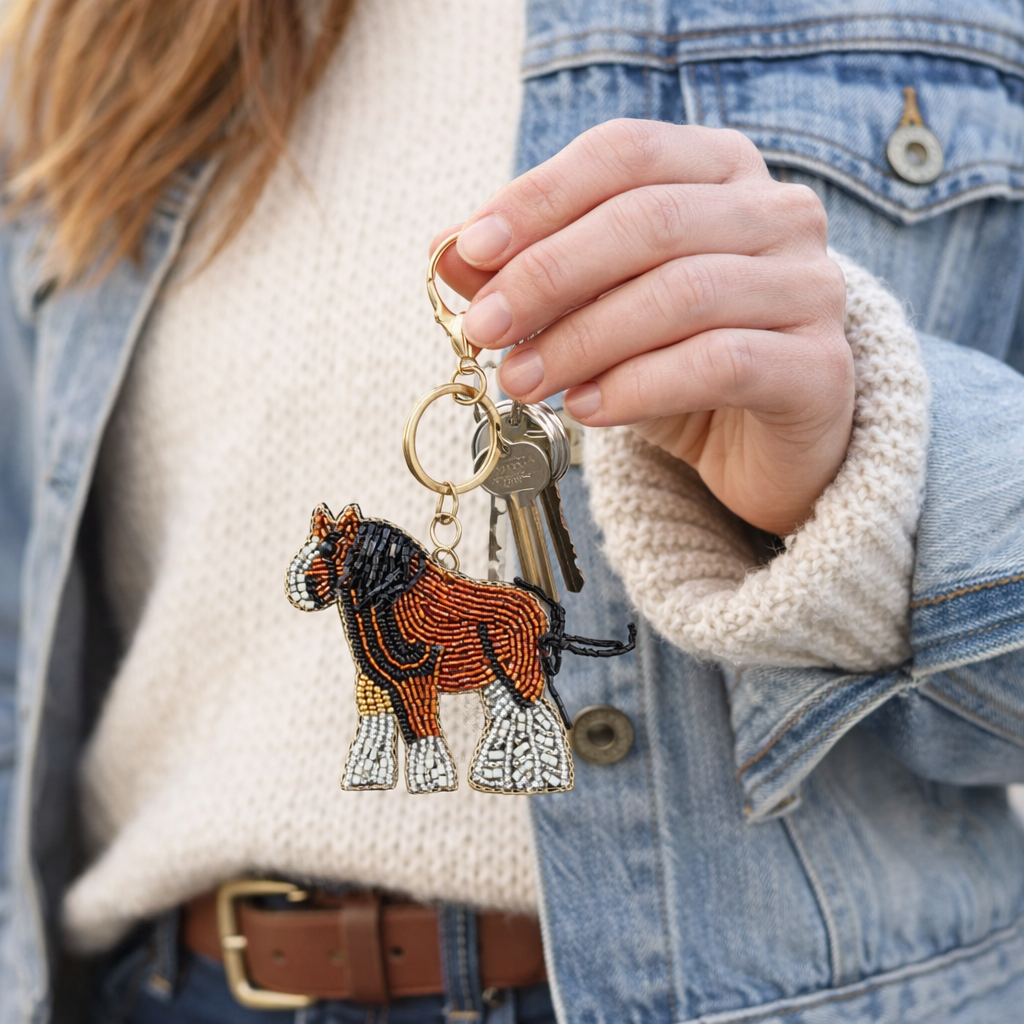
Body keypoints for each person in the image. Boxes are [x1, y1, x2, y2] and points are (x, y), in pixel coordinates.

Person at [1, 1, 1023, 1022]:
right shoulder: (95, 37)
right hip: (183, 989)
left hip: (777, 994)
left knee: (503, 686)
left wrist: (864, 467)